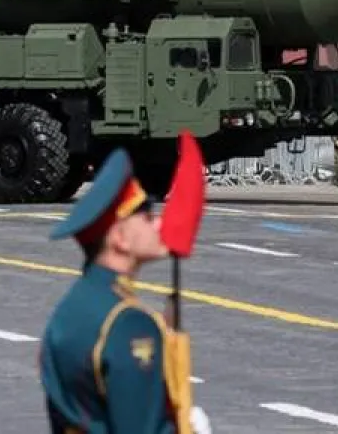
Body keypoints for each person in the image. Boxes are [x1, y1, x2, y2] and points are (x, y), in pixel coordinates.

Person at [40, 149, 212, 434]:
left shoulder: (72, 307)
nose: (158, 223)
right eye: (146, 217)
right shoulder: (129, 324)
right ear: (119, 238)